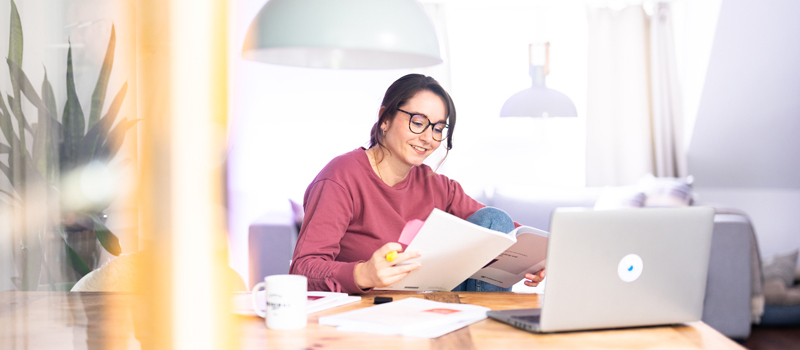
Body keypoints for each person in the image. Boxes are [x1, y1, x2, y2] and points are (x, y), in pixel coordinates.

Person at [289, 74, 545, 294]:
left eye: (437, 128)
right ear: (385, 118)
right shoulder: (341, 176)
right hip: (374, 308)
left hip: (431, 302)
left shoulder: (437, 185)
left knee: (495, 219)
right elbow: (303, 269)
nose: (428, 138)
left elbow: (500, 227)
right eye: (418, 122)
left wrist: (538, 258)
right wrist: (363, 274)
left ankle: (486, 330)